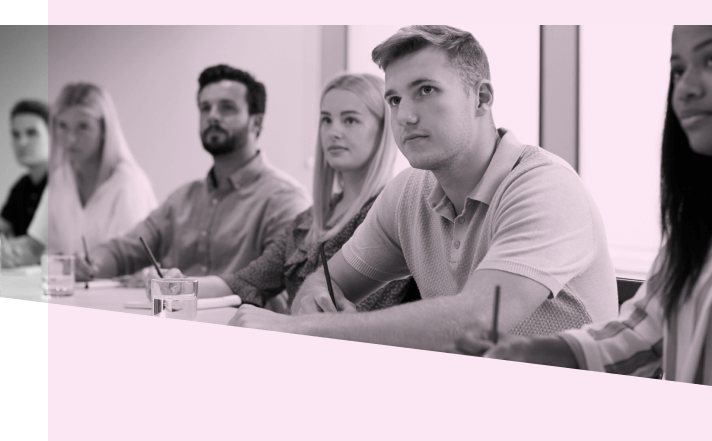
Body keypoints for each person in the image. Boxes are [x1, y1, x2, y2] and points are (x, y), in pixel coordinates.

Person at [227, 25, 617, 351]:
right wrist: (314, 301)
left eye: (426, 91)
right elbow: (325, 280)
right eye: (394, 99)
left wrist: (302, 329)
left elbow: (479, 319)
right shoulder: (409, 192)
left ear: (481, 97)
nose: (406, 116)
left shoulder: (544, 186)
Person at [454, 25, 712, 392]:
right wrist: (529, 350)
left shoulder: (543, 183)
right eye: (678, 70)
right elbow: (644, 331)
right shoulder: (705, 220)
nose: (685, 88)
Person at [167, 73, 419, 312]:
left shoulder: (389, 216)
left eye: (350, 120)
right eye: (326, 120)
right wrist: (179, 286)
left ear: (383, 130)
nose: (333, 132)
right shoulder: (308, 221)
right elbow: (248, 281)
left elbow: (354, 320)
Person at [78, 65, 311, 312]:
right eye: (205, 107)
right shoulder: (182, 199)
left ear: (256, 122)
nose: (212, 116)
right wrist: (92, 264)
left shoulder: (285, 200)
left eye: (226, 108)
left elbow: (267, 283)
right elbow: (125, 250)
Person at [47, 83, 158, 257]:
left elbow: (132, 258)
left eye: (83, 127)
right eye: (62, 126)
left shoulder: (128, 182)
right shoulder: (61, 179)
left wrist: (87, 266)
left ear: (104, 129)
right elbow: (47, 248)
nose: (71, 139)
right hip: (74, 283)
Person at [0, 100, 50, 268]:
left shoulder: (65, 185)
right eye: (15, 134)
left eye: (32, 133)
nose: (22, 142)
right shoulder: (21, 187)